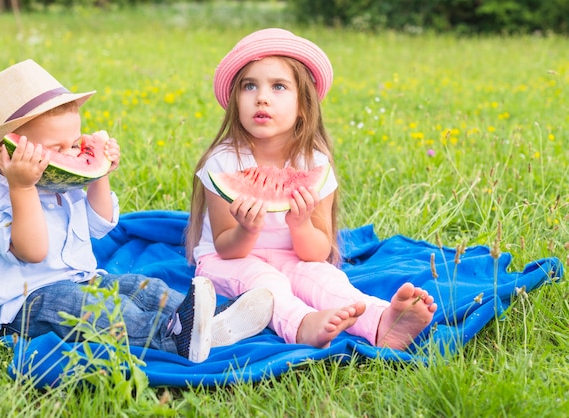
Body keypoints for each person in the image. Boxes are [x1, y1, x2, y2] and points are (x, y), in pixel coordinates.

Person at [0, 59, 273, 363]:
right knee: (95, 311)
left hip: (82, 280)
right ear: (5, 156)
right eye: (57, 149)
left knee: (137, 287)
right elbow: (33, 251)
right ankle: (172, 336)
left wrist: (99, 175)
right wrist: (22, 188)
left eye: (75, 144)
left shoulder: (61, 186)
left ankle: (219, 317)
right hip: (23, 307)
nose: (70, 154)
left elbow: (101, 225)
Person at [186, 28, 437, 350]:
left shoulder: (314, 164)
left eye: (278, 86)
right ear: (235, 100)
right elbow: (225, 248)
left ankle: (382, 322)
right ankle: (302, 325)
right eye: (250, 86)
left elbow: (317, 253)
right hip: (229, 261)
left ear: (303, 105)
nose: (262, 97)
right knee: (265, 283)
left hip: (297, 258)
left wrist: (300, 223)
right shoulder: (222, 163)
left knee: (328, 281)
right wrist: (247, 230)